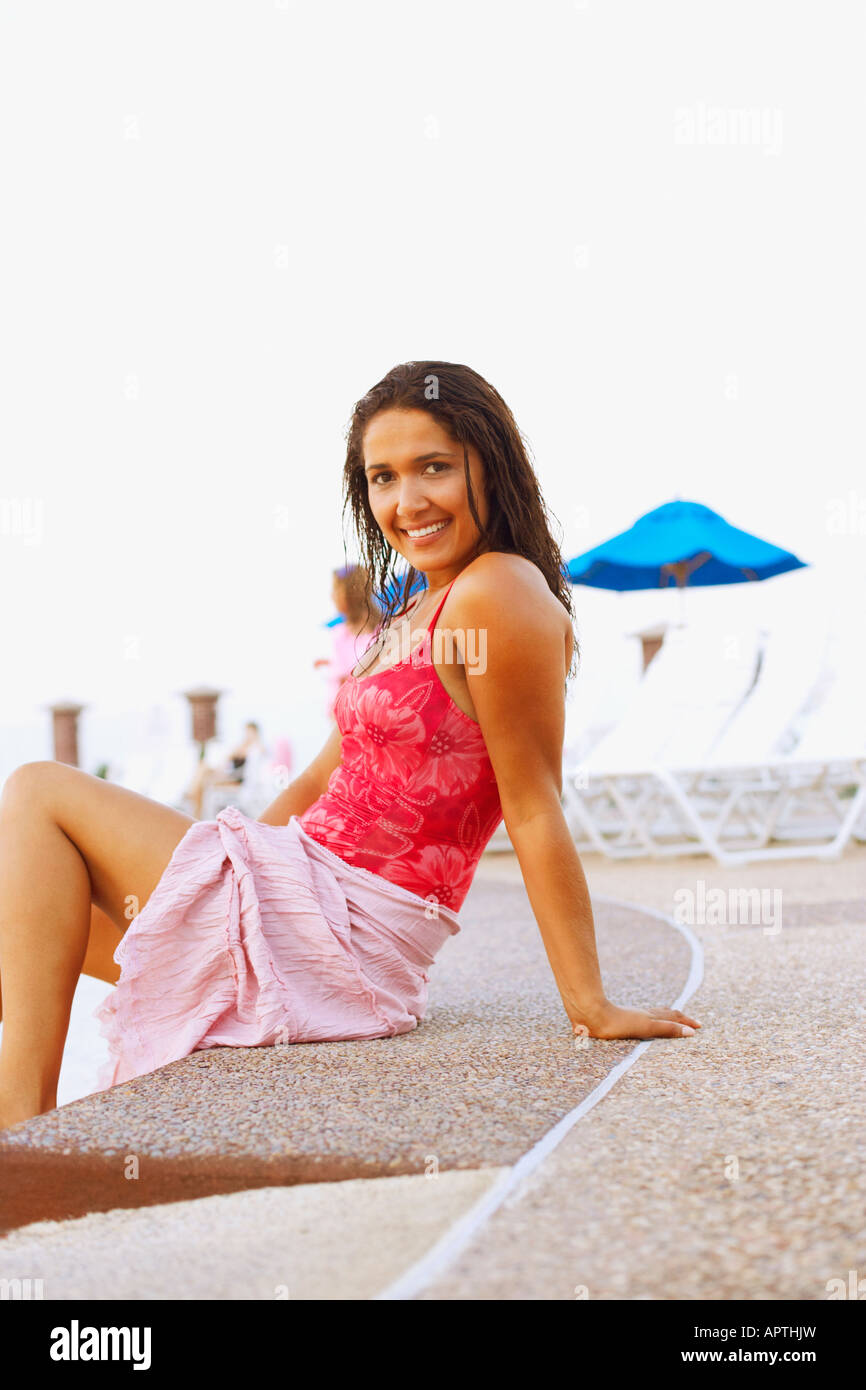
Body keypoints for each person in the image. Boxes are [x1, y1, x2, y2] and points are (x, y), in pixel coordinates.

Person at [0, 361, 700, 1130]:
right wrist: (230, 873)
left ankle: (22, 1126)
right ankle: (32, 1135)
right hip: (296, 892)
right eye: (383, 477)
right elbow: (316, 778)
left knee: (37, 787)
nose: (408, 502)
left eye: (435, 468)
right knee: (27, 925)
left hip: (351, 928)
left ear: (490, 465)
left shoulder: (499, 589)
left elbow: (531, 806)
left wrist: (588, 1004)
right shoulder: (416, 606)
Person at [313, 565, 380, 723]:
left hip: (372, 714)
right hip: (344, 718)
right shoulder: (338, 633)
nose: (332, 596)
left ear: (352, 593)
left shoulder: (384, 631)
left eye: (336, 590)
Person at [183, 721, 267, 820]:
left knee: (203, 773)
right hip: (228, 775)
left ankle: (191, 799)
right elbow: (226, 760)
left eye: (250, 732)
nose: (247, 734)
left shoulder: (256, 748)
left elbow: (262, 753)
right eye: (246, 732)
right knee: (203, 769)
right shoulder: (242, 746)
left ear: (255, 733)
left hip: (236, 779)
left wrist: (253, 743)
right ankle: (195, 807)